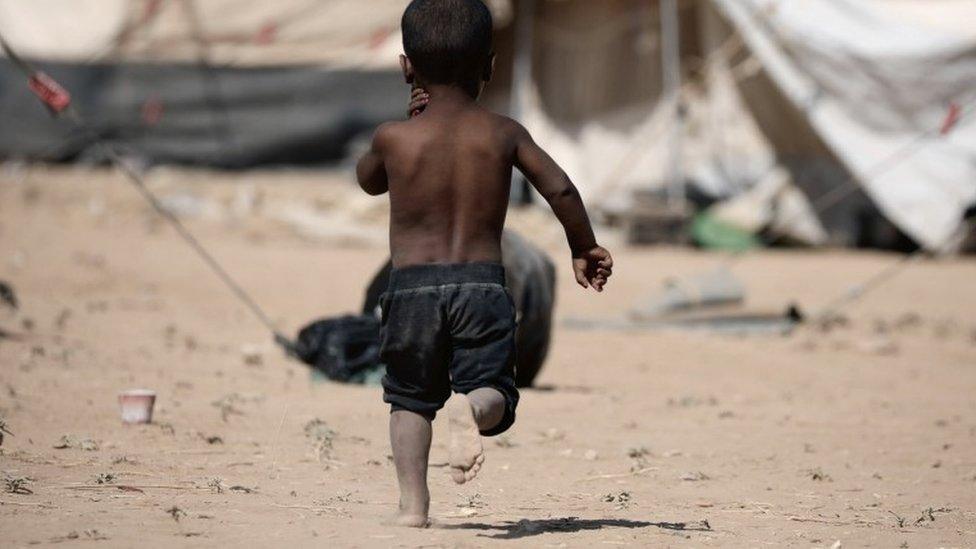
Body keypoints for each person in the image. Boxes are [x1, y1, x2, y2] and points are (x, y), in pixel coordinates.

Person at [356, 0, 613, 528]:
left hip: (409, 290)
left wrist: (405, 122)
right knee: (493, 387)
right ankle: (471, 410)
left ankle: (412, 508)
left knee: (408, 399)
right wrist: (582, 245)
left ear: (407, 67)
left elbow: (369, 179)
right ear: (490, 67)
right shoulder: (504, 133)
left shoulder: (394, 138)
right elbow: (559, 187)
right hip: (481, 286)